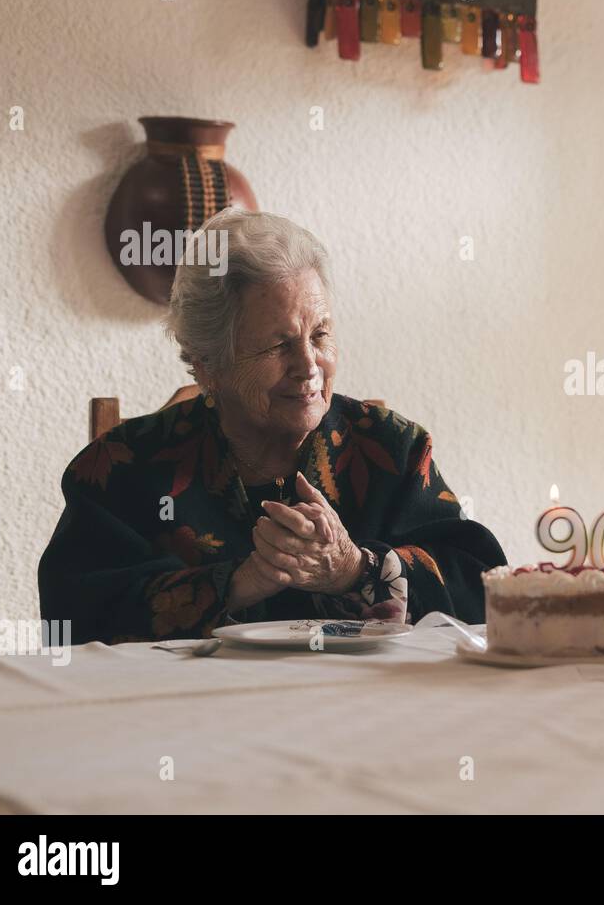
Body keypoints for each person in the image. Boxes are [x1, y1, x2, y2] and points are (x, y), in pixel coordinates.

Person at [39, 209, 505, 643]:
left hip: (365, 715)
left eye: (319, 335)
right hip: (187, 719)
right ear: (208, 366)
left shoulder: (391, 448)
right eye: (278, 345)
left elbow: (484, 594)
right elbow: (72, 617)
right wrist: (237, 585)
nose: (309, 366)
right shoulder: (122, 466)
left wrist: (353, 569)